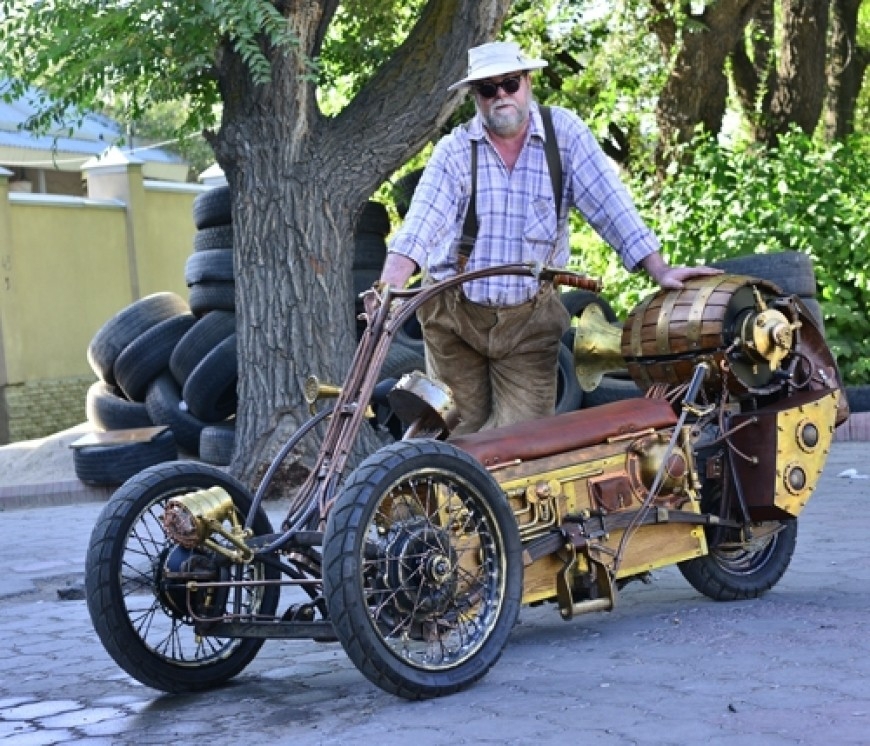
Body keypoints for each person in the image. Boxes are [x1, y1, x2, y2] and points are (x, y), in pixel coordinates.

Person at [380, 41, 719, 435]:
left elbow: (612, 206)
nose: (501, 96)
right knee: (460, 431)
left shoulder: (565, 136)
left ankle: (499, 494)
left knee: (522, 439)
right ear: (475, 97)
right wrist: (387, 291)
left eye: (509, 83)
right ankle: (454, 492)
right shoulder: (454, 153)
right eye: (488, 89)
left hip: (529, 320)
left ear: (528, 81)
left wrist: (659, 269)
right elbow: (418, 228)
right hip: (454, 315)